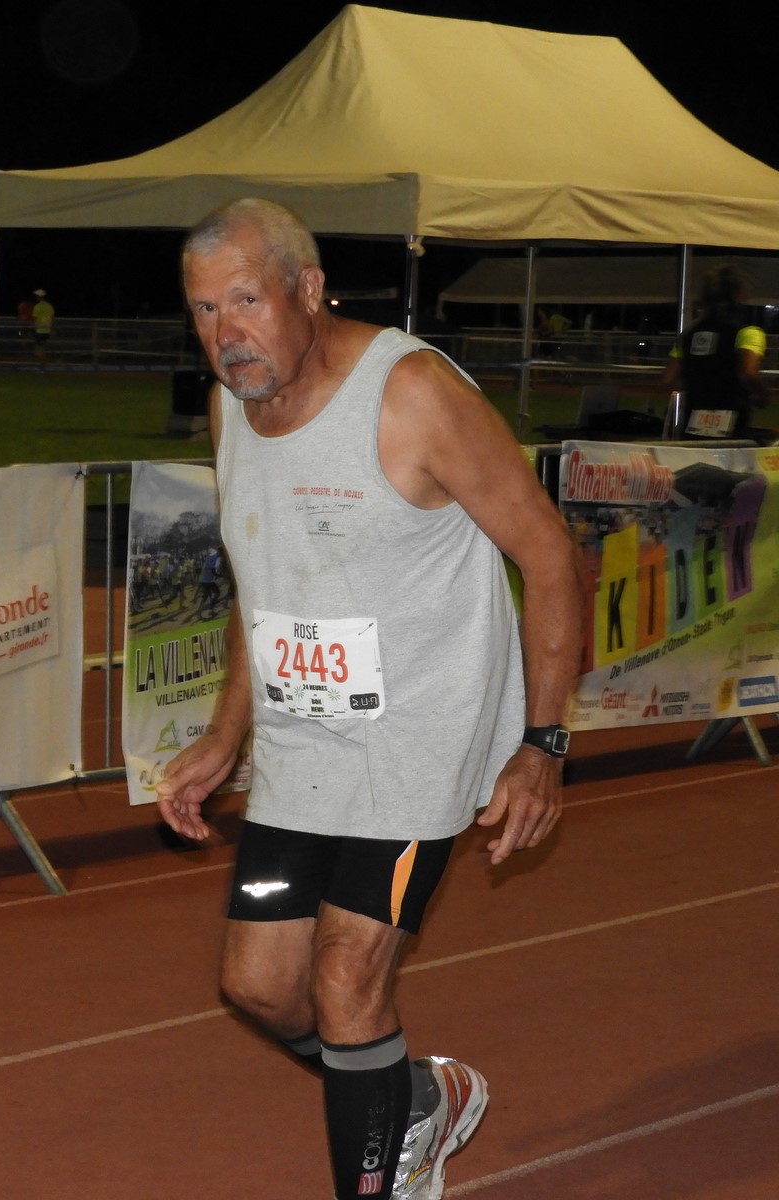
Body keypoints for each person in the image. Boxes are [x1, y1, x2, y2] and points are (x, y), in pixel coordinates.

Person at [156, 198, 584, 1200]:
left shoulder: (412, 395)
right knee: (260, 989)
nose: (226, 334)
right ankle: (414, 1100)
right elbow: (263, 578)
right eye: (205, 310)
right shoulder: (230, 407)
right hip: (303, 745)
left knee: (348, 978)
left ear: (308, 290)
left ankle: (386, 1176)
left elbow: (549, 555)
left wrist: (542, 744)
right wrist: (226, 734)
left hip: (419, 739)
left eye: (246, 302)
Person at [660, 265, 769, 440]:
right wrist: (762, 394)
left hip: (692, 420)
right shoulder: (748, 332)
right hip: (732, 420)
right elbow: (748, 372)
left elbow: (667, 379)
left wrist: (699, 383)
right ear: (738, 294)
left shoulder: (688, 335)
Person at [31, 287, 55, 362]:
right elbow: (52, 318)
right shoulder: (49, 306)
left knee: (38, 348)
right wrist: (52, 329)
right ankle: (43, 362)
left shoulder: (37, 307)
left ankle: (41, 363)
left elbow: (34, 319)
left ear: (38, 297)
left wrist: (33, 328)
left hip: (39, 330)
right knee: (43, 347)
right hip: (47, 330)